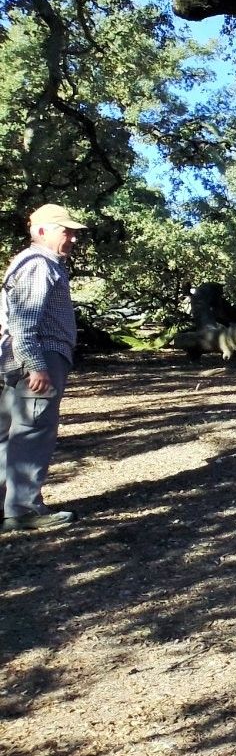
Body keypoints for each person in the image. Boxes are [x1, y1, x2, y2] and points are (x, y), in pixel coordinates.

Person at [1, 204, 89, 533]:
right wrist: (36, 365)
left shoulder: (27, 263)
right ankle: (23, 510)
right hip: (39, 357)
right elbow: (24, 322)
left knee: (10, 432)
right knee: (33, 430)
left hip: (20, 358)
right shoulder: (39, 264)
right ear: (41, 231)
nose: (72, 238)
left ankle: (7, 507)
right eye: (65, 231)